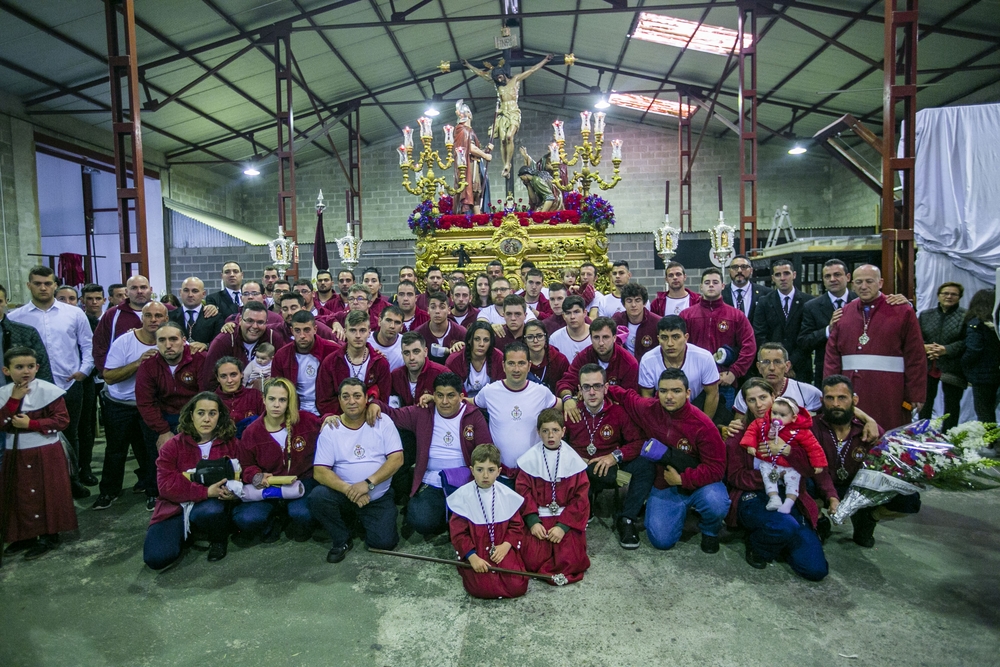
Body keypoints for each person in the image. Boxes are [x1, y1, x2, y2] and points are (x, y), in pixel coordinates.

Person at [607, 368, 729, 553]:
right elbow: (626, 396)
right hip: (665, 485)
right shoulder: (648, 408)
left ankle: (710, 531)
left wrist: (683, 480)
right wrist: (601, 389)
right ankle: (679, 513)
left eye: (676, 391)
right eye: (663, 391)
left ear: (688, 393)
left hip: (700, 485)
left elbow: (717, 469)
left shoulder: (703, 425)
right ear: (657, 393)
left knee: (716, 502)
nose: (669, 396)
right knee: (660, 540)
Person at [726, 378, 835, 579]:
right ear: (745, 404)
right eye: (751, 400)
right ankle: (759, 545)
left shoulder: (798, 432)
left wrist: (788, 451)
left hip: (791, 497)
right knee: (785, 525)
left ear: (774, 398)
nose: (758, 405)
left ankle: (779, 540)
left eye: (763, 397)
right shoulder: (739, 434)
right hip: (753, 497)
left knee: (816, 570)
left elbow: (812, 468)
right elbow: (736, 477)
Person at [367, 373, 490, 537]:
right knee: (421, 521)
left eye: (450, 396)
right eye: (439, 395)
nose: (444, 402)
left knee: (478, 522)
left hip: (465, 481)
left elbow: (486, 450)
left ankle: (454, 519)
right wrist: (375, 404)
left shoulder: (472, 415)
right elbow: (393, 414)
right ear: (433, 395)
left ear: (461, 396)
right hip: (431, 481)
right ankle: (447, 518)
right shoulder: (423, 412)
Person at [8, 266, 94, 499]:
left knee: (71, 433)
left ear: (55, 284)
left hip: (69, 383)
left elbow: (88, 345)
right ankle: (43, 483)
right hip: (32, 388)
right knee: (39, 434)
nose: (43, 287)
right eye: (37, 283)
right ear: (29, 285)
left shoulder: (74, 314)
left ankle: (71, 479)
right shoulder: (15, 318)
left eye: (48, 283)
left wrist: (83, 371)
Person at [812, 375, 919, 548]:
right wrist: (831, 497)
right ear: (822, 400)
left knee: (909, 499)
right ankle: (819, 520)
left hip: (859, 489)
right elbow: (817, 470)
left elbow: (888, 461)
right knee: (801, 484)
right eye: (830, 398)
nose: (836, 404)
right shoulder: (811, 426)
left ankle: (868, 518)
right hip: (823, 486)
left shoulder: (870, 430)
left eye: (842, 398)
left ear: (854, 400)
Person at [309, 378, 403, 563]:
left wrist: (367, 484)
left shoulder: (382, 422)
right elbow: (319, 471)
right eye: (346, 396)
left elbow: (397, 459)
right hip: (344, 495)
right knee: (318, 497)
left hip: (377, 497)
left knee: (384, 543)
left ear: (366, 398)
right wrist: (351, 491)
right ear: (339, 400)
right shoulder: (331, 428)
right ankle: (341, 539)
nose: (351, 401)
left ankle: (362, 521)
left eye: (357, 396)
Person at [142, 392, 239, 569]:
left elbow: (242, 472)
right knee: (156, 558)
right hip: (175, 507)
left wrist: (235, 492)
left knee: (211, 510)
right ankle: (188, 532)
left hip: (212, 506)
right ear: (191, 415)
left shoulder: (230, 443)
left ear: (220, 416)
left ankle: (218, 539)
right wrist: (204, 491)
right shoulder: (173, 445)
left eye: (212, 413)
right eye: (201, 413)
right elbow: (165, 486)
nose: (206, 419)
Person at [824, 265, 926, 430]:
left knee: (889, 433)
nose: (863, 286)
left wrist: (916, 394)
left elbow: (915, 355)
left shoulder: (902, 311)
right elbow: (832, 357)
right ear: (852, 284)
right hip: (851, 388)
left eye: (869, 281)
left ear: (880, 283)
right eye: (859, 282)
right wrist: (830, 388)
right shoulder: (843, 313)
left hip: (890, 391)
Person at [563, 364, 651, 549]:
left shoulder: (618, 412)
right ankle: (583, 506)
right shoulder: (571, 413)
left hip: (611, 467)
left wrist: (614, 456)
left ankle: (626, 519)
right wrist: (574, 458)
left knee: (646, 465)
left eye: (597, 386)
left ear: (606, 388)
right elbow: (557, 444)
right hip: (580, 470)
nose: (592, 392)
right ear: (579, 389)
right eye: (586, 387)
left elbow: (638, 442)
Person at [0, 346, 75, 561]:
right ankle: (25, 535)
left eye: (30, 366)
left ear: (37, 368)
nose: (26, 371)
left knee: (47, 492)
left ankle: (49, 534)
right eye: (19, 367)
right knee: (21, 493)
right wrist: (14, 399)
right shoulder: (4, 394)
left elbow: (61, 420)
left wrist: (31, 423)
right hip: (16, 452)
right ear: (7, 370)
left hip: (45, 451)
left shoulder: (49, 391)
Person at [92, 302, 165, 509]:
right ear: (141, 318)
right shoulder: (124, 341)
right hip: (121, 403)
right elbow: (108, 376)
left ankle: (153, 492)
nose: (153, 320)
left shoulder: (170, 341)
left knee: (152, 450)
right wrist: (138, 363)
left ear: (165, 319)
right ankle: (108, 492)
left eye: (158, 316)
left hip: (151, 405)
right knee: (116, 450)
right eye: (148, 315)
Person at [236, 378, 322, 543]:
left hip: (302, 480)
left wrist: (330, 418)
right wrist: (255, 476)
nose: (277, 404)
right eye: (272, 399)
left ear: (290, 402)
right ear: (264, 399)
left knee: (302, 514)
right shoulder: (251, 432)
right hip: (271, 484)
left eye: (282, 400)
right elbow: (246, 465)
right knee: (246, 518)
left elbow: (325, 424)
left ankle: (294, 520)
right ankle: (274, 520)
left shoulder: (306, 420)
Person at [135, 322, 207, 511]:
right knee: (157, 450)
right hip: (163, 417)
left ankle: (198, 490)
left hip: (193, 417)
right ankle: (155, 492)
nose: (168, 345)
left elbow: (205, 396)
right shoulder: (148, 366)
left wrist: (191, 425)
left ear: (184, 341)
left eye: (173, 339)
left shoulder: (200, 360)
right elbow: (145, 402)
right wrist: (163, 431)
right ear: (156, 343)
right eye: (162, 340)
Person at [515, 408, 590, 584]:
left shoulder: (573, 460)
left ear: (563, 432)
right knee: (532, 559)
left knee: (571, 559)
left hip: (566, 520)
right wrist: (533, 522)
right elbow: (523, 493)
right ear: (538, 432)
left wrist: (562, 527)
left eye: (555, 430)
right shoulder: (529, 460)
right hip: (540, 518)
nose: (550, 435)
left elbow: (581, 499)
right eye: (545, 431)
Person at [446, 443, 528, 599]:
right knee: (482, 588)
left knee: (518, 585)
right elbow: (458, 534)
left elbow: (516, 526)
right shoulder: (463, 497)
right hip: (477, 550)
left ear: (499, 471)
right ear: (472, 470)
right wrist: (472, 557)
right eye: (480, 470)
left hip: (501, 548)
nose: (485, 476)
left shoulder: (507, 495)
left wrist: (506, 546)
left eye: (490, 470)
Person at [473, 342, 558, 471]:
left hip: (534, 472)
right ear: (503, 366)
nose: (516, 369)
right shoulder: (489, 392)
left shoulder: (542, 392)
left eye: (521, 363)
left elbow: (563, 406)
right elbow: (468, 403)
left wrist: (570, 401)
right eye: (511, 363)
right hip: (501, 473)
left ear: (529, 366)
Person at [464, 53, 551, 178]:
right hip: (503, 114)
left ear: (504, 74)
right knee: (503, 139)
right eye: (497, 79)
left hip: (514, 112)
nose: (499, 80)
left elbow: (532, 70)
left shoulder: (515, 80)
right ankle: (505, 164)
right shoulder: (497, 85)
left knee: (510, 136)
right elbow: (480, 74)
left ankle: (508, 163)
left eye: (500, 77)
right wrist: (468, 65)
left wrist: (545, 60)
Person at [680, 268, 755, 411]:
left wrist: (734, 372)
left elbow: (749, 347)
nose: (711, 285)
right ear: (701, 286)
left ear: (723, 286)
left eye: (715, 282)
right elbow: (677, 346)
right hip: (692, 381)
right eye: (707, 282)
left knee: (722, 426)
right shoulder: (687, 315)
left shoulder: (736, 316)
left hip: (723, 382)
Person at [740, 396, 827, 513]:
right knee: (766, 473)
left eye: (782, 415)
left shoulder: (802, 431)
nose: (776, 417)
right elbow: (751, 431)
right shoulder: (762, 424)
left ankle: (788, 503)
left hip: (789, 465)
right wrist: (749, 445)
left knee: (793, 481)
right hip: (769, 462)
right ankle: (774, 498)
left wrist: (818, 463)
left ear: (793, 417)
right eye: (774, 413)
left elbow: (814, 447)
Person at [637, 316, 720, 418]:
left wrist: (704, 425)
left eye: (675, 337)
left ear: (686, 338)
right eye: (664, 338)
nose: (670, 344)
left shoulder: (704, 357)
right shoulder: (647, 360)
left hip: (696, 408)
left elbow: (712, 394)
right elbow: (647, 398)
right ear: (658, 339)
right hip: (662, 411)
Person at [316, 310, 390, 416]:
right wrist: (346, 418)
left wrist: (372, 407)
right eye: (353, 330)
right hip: (339, 420)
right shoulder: (330, 362)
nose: (358, 335)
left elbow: (384, 399)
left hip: (370, 419)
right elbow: (324, 401)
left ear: (369, 332)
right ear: (345, 331)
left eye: (362, 330)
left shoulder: (381, 363)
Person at [753, 259, 813, 382]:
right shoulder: (764, 302)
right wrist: (777, 363)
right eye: (778, 275)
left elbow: (807, 336)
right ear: (773, 278)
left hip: (800, 367)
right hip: (771, 367)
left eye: (786, 273)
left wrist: (789, 364)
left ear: (794, 275)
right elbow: (759, 335)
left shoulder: (808, 302)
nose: (782, 278)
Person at [797, 259, 856, 385]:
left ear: (848, 277)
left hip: (857, 369)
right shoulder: (812, 307)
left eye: (837, 274)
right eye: (827, 276)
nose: (832, 279)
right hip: (826, 370)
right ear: (823, 280)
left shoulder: (860, 301)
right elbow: (804, 341)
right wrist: (828, 330)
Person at [203, 301, 287, 389]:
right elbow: (210, 381)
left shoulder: (273, 339)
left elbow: (284, 374)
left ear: (266, 323)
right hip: (232, 398)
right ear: (239, 320)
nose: (255, 326)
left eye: (260, 322)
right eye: (250, 321)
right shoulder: (223, 341)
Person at [271, 310, 340, 415]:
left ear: (315, 329)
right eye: (297, 330)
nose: (302, 335)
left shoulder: (333, 351)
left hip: (328, 411)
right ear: (292, 331)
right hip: (294, 412)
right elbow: (276, 390)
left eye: (306, 330)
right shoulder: (282, 356)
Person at [918, 282, 967, 431]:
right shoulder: (926, 315)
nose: (949, 297)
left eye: (953, 294)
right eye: (945, 293)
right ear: (938, 295)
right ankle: (922, 433)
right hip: (928, 365)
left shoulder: (966, 316)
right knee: (925, 402)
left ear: (959, 297)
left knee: (952, 404)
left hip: (953, 366)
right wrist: (925, 347)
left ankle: (949, 435)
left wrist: (946, 349)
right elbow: (916, 338)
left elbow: (967, 341)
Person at [556, 317, 640, 398]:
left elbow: (628, 398)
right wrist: (567, 398)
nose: (601, 343)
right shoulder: (583, 356)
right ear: (591, 338)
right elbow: (566, 382)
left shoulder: (629, 363)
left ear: (614, 338)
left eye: (605, 337)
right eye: (596, 337)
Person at [732, 343, 822, 416]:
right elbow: (739, 427)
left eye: (777, 362)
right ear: (758, 367)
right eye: (766, 362)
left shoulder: (806, 391)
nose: (772, 368)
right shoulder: (748, 392)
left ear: (787, 366)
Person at [93, 275, 155, 372]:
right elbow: (100, 345)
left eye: (143, 287)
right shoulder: (112, 314)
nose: (139, 291)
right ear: (126, 292)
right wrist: (106, 373)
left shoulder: (166, 311)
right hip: (121, 379)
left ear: (150, 289)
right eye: (134, 288)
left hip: (157, 378)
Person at [962, 288, 1000, 426]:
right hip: (996, 371)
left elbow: (974, 348)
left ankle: (989, 443)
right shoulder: (996, 324)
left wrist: (963, 363)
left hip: (983, 375)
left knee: (984, 412)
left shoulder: (976, 323)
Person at [445, 321, 505, 397]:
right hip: (461, 403)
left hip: (491, 402)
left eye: (486, 340)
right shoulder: (454, 360)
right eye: (477, 339)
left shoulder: (499, 358)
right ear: (469, 340)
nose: (481, 344)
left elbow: (501, 390)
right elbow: (451, 393)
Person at [454, 99, 492, 214]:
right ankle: (472, 217)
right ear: (468, 115)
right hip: (469, 166)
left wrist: (486, 150)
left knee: (477, 193)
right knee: (472, 191)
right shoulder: (463, 130)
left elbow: (475, 149)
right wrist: (485, 155)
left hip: (475, 164)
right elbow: (470, 148)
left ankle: (478, 217)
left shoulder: (469, 130)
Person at [212, 357, 263, 436]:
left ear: (242, 374)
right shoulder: (210, 400)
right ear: (217, 378)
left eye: (233, 375)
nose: (229, 380)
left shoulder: (256, 396)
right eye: (223, 376)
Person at [169, 277, 224, 345]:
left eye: (195, 291)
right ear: (180, 292)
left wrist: (206, 346)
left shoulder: (215, 318)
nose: (190, 295)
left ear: (203, 294)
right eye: (186, 290)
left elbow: (219, 344)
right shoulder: (170, 316)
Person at [416, 292, 466, 364]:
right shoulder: (418, 334)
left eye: (442, 307)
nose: (437, 311)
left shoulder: (461, 332)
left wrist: (462, 348)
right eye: (433, 307)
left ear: (449, 310)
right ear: (428, 310)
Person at [613, 282, 657, 362]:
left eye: (637, 300)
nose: (633, 305)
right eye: (629, 301)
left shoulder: (656, 322)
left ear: (644, 303)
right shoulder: (617, 320)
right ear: (623, 304)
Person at [722, 255, 771, 325]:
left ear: (751, 270)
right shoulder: (721, 293)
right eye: (735, 267)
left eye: (744, 267)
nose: (739, 270)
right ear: (729, 271)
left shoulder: (766, 293)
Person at [523, 320, 568, 394]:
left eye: (540, 336)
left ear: (546, 337)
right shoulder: (519, 360)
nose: (535, 340)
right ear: (525, 340)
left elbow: (566, 384)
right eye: (530, 337)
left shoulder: (560, 360)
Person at [548, 295, 592, 362]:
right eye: (568, 313)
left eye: (576, 312)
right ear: (563, 316)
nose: (572, 317)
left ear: (585, 313)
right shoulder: (554, 339)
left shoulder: (596, 335)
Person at [369, 305, 405, 372]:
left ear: (402, 327)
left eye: (397, 322)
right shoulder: (366, 340)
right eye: (388, 320)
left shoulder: (405, 343)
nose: (392, 326)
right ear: (379, 321)